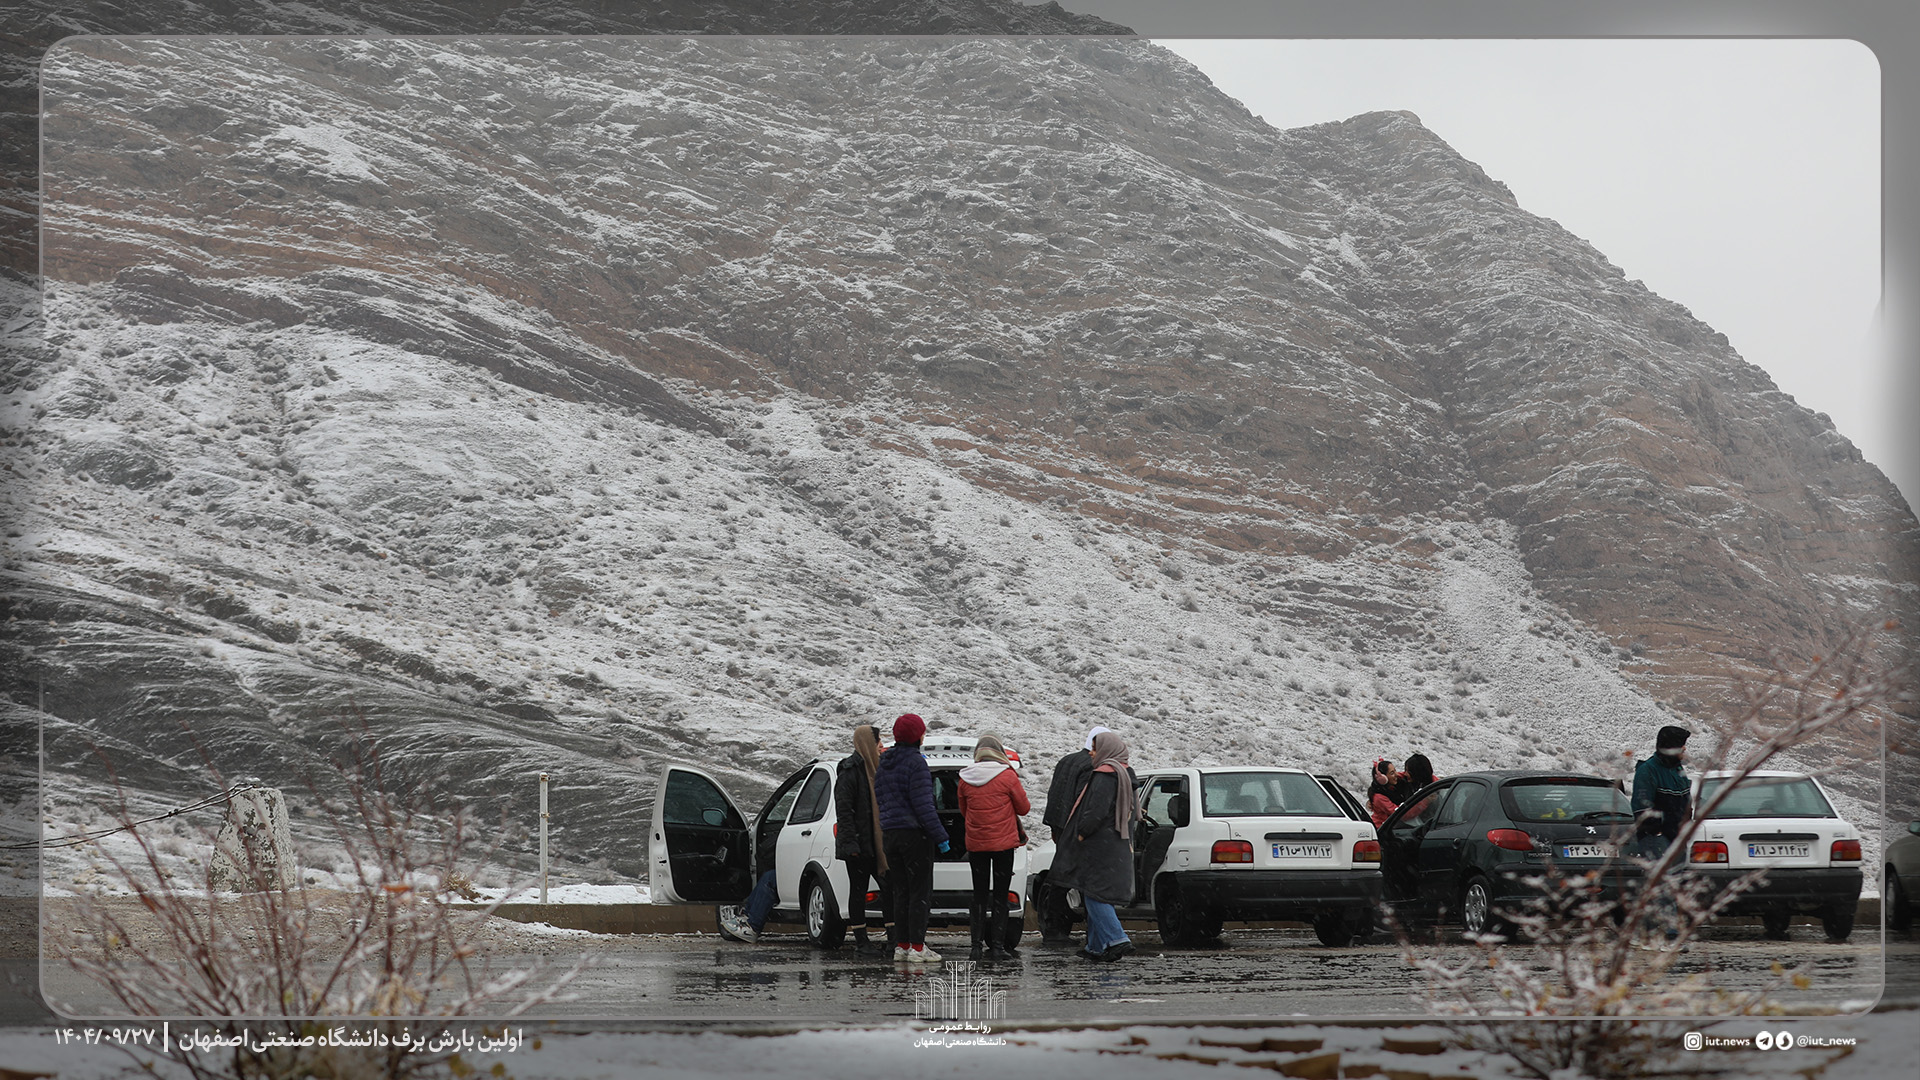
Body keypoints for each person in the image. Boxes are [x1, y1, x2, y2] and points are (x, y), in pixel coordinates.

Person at [1057, 730, 1140, 962]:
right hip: (1118, 843)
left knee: (1094, 893)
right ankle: (1095, 946)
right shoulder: (1126, 773)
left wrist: (1082, 832)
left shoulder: (1105, 775)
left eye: (1094, 748)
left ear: (1106, 750)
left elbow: (1095, 811)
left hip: (1100, 844)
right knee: (1098, 892)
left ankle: (1117, 939)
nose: (1091, 753)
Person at [872, 712, 949, 963]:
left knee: (901, 892)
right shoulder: (916, 763)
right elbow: (924, 806)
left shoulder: (884, 764)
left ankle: (902, 945)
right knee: (919, 892)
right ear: (917, 736)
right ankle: (918, 947)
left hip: (890, 835)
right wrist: (941, 837)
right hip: (914, 836)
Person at [958, 732, 1031, 962]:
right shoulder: (1007, 776)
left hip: (977, 844)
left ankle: (975, 947)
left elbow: (963, 811)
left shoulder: (965, 778)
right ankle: (998, 946)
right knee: (1000, 894)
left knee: (979, 895)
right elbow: (1024, 808)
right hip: (1003, 845)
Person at [1040, 725, 1108, 943]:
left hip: (1061, 826)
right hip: (1076, 829)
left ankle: (1053, 928)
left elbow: (1054, 794)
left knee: (1061, 876)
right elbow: (1084, 801)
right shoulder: (1091, 766)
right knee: (1086, 881)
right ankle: (1092, 932)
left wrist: (1054, 826)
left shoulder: (1066, 760)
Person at [1630, 724, 1693, 947]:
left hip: (1677, 837)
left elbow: (1686, 802)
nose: (1685, 750)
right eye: (1681, 746)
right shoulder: (1648, 770)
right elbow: (1641, 805)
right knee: (1667, 884)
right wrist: (1654, 829)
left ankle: (1641, 931)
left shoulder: (1678, 771)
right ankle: (1671, 935)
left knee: (1665, 885)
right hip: (1655, 837)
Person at [833, 724, 892, 955]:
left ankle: (893, 938)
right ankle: (861, 941)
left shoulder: (879, 769)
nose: (881, 746)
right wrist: (851, 845)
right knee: (858, 891)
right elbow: (844, 811)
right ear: (868, 743)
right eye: (878, 741)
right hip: (859, 844)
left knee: (889, 889)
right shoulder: (850, 771)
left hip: (879, 845)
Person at [1367, 758, 1405, 827]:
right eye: (1392, 773)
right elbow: (1398, 813)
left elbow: (1401, 774)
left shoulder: (1388, 787)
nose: (1396, 774)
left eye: (1395, 771)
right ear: (1383, 778)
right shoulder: (1379, 798)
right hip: (1382, 828)